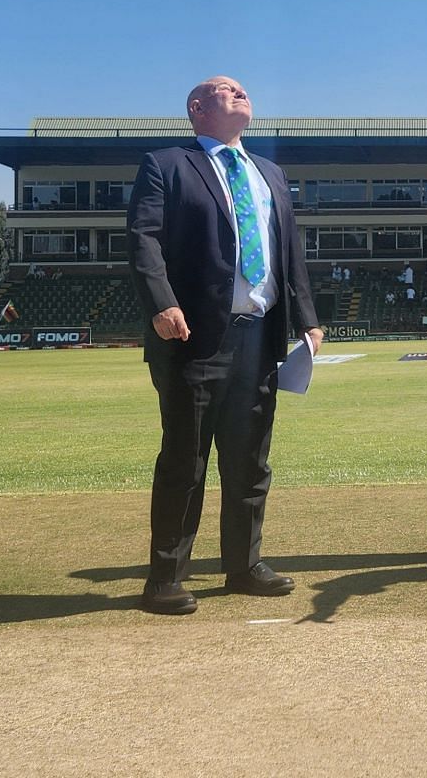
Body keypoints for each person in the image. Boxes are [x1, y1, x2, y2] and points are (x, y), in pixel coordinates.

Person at [128, 75, 323, 615]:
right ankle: (164, 578)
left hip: (260, 338)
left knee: (250, 462)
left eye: (243, 89)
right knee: (184, 461)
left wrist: (306, 317)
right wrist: (161, 302)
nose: (240, 92)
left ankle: (243, 565)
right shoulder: (167, 164)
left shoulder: (270, 174)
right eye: (225, 89)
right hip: (192, 337)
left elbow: (290, 251)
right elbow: (144, 237)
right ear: (197, 108)